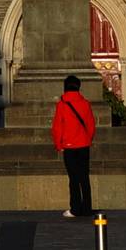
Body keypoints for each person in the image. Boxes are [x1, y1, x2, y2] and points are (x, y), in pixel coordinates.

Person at [51, 74, 96, 218]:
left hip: (69, 146)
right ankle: (87, 208)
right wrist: (87, 139)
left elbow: (57, 127)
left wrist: (59, 144)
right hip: (83, 145)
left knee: (73, 178)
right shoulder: (85, 103)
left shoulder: (62, 104)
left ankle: (75, 208)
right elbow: (91, 125)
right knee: (84, 177)